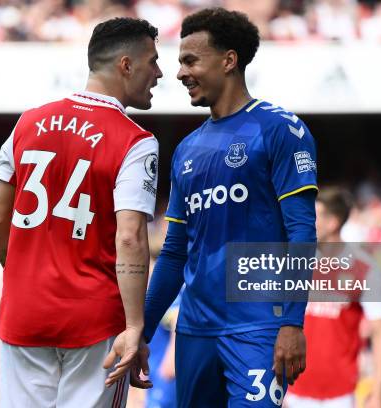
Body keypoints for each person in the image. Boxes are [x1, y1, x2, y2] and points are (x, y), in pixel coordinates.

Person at [142, 7, 318, 407]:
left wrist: (292, 323)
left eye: (190, 60)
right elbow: (174, 253)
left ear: (228, 60)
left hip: (257, 328)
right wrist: (144, 331)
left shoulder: (279, 129)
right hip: (194, 330)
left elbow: (302, 234)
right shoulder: (187, 149)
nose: (181, 73)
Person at [0, 17, 162, 408]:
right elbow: (130, 236)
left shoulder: (27, 122)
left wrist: (26, 278)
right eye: (152, 61)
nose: (160, 73)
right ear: (126, 65)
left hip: (24, 315)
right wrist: (135, 327)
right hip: (93, 320)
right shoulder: (135, 141)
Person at [286, 188, 381, 408]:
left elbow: (380, 333)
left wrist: (377, 393)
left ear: (332, 223)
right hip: (294, 390)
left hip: (340, 395)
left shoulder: (364, 268)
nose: (306, 222)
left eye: (313, 216)